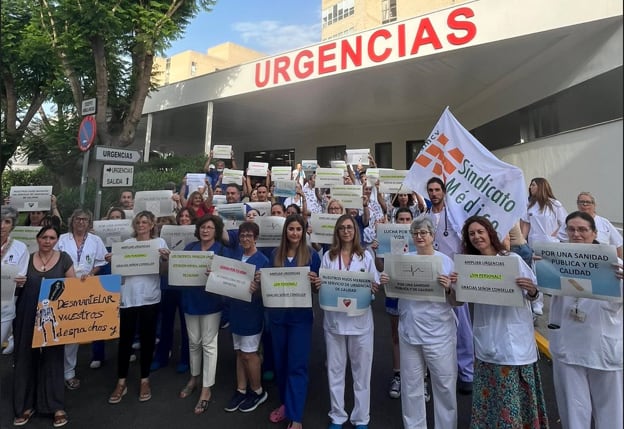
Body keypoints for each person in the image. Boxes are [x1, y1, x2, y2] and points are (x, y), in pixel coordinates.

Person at [452, 215, 549, 428]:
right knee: (491, 402)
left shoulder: (512, 260)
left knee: (513, 402)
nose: (477, 237)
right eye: (472, 234)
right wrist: (454, 284)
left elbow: (535, 295)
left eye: (480, 232)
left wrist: (531, 290)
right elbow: (457, 302)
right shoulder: (469, 266)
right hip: (487, 342)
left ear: (490, 233)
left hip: (514, 344)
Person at [379, 214, 461, 429]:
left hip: (439, 335)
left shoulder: (446, 262)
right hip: (409, 332)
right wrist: (387, 280)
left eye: (423, 232)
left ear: (432, 235)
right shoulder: (404, 260)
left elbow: (458, 302)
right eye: (415, 233)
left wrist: (449, 288)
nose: (419, 237)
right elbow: (392, 291)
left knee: (444, 387)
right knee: (411, 387)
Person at [548, 211, 623, 429]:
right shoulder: (556, 260)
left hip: (603, 345)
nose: (576, 234)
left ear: (594, 232)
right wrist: (541, 268)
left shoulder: (615, 264)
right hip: (570, 344)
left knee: (611, 410)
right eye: (571, 229)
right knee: (573, 410)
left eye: (582, 229)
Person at [319, 214, 380, 429]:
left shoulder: (365, 257)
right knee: (335, 371)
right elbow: (323, 285)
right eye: (342, 228)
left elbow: (375, 284)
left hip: (360, 321)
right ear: (337, 232)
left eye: (350, 228)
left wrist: (373, 288)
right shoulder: (328, 256)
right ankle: (337, 415)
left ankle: (361, 418)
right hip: (335, 321)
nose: (346, 231)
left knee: (361, 372)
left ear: (355, 231)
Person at [12, 225, 76, 427]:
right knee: (25, 358)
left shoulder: (64, 258)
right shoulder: (27, 258)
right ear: (37, 239)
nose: (47, 241)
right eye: (44, 237)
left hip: (54, 314)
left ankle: (55, 406)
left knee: (53, 357)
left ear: (57, 240)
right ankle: (25, 406)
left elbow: (72, 286)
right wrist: (16, 283)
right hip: (27, 311)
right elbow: (11, 285)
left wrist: (83, 281)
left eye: (52, 237)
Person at [108, 211, 170, 405]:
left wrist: (166, 260)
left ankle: (145, 380)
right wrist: (113, 261)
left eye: (145, 222)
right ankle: (121, 382)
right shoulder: (126, 245)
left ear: (152, 224)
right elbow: (118, 273)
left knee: (148, 340)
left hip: (149, 297)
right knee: (125, 340)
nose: (141, 225)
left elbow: (162, 272)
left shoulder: (159, 243)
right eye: (138, 222)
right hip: (128, 297)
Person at [267, 214, 322, 429]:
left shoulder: (312, 256)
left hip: (300, 319)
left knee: (297, 366)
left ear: (304, 231)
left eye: (299, 229)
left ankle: (296, 417)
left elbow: (317, 289)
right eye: (291, 229)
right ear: (285, 232)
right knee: (281, 364)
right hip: (278, 318)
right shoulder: (274, 255)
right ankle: (285, 404)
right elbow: (268, 285)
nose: (295, 233)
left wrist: (316, 283)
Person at [425, 177, 474, 394]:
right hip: (432, 278)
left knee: (462, 325)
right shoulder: (423, 217)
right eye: (430, 190)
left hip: (453, 275)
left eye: (437, 189)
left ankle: (467, 372)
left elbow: (466, 241)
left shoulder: (455, 216)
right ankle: (438, 372)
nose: (434, 193)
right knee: (435, 324)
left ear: (444, 192)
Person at [177, 215, 230, 414]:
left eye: (209, 227)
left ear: (216, 231)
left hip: (211, 303)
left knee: (209, 344)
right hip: (190, 300)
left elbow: (228, 277)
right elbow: (178, 270)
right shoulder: (190, 248)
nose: (205, 230)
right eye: (202, 227)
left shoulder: (223, 251)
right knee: (193, 342)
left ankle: (206, 388)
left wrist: (216, 276)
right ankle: (194, 377)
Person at [56, 208, 108, 391]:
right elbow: (53, 260)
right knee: (56, 330)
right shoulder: (61, 239)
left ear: (89, 222)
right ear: (72, 221)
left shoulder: (96, 241)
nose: (81, 222)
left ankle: (69, 372)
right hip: (62, 287)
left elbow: (101, 262)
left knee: (73, 332)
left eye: (84, 219)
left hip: (85, 288)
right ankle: (52, 372)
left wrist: (91, 273)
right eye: (77, 219)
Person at [223, 221, 270, 413]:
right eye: (242, 235)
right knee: (239, 352)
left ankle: (257, 391)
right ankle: (241, 390)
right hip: (235, 311)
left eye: (249, 236)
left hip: (252, 313)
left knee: (249, 354)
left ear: (256, 238)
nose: (245, 239)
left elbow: (266, 293)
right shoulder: (234, 257)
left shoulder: (263, 261)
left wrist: (258, 289)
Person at [371, 207, 414, 400]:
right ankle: (397, 374)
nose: (404, 222)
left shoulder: (419, 239)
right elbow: (380, 267)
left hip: (414, 293)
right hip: (394, 292)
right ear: (396, 221)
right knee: (396, 334)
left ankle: (421, 379)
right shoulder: (389, 239)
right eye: (401, 219)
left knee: (417, 335)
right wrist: (377, 252)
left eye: (408, 219)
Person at [520, 177, 568, 315]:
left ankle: (558, 304)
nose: (530, 187)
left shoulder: (555, 204)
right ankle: (537, 303)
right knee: (536, 273)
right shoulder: (529, 205)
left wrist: (555, 235)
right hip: (535, 244)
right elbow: (526, 225)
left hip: (551, 244)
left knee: (554, 274)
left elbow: (564, 223)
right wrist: (523, 241)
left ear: (541, 186)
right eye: (530, 185)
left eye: (533, 185)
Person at [89, 206, 127, 369]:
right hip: (103, 278)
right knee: (100, 316)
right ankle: (98, 354)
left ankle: (127, 350)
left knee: (124, 316)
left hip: (122, 279)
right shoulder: (97, 239)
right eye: (112, 217)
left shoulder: (128, 239)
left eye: (119, 217)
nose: (115, 220)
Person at [557, 192, 623, 258]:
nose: (585, 204)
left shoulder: (604, 222)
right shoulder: (570, 221)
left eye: (588, 202)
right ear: (577, 204)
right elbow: (560, 242)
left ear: (594, 205)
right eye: (581, 202)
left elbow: (617, 246)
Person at [1, 206, 29, 356]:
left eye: (7, 222)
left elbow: (21, 275)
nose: (2, 226)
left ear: (12, 225)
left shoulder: (20, 248)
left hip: (5, 307)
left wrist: (20, 280)